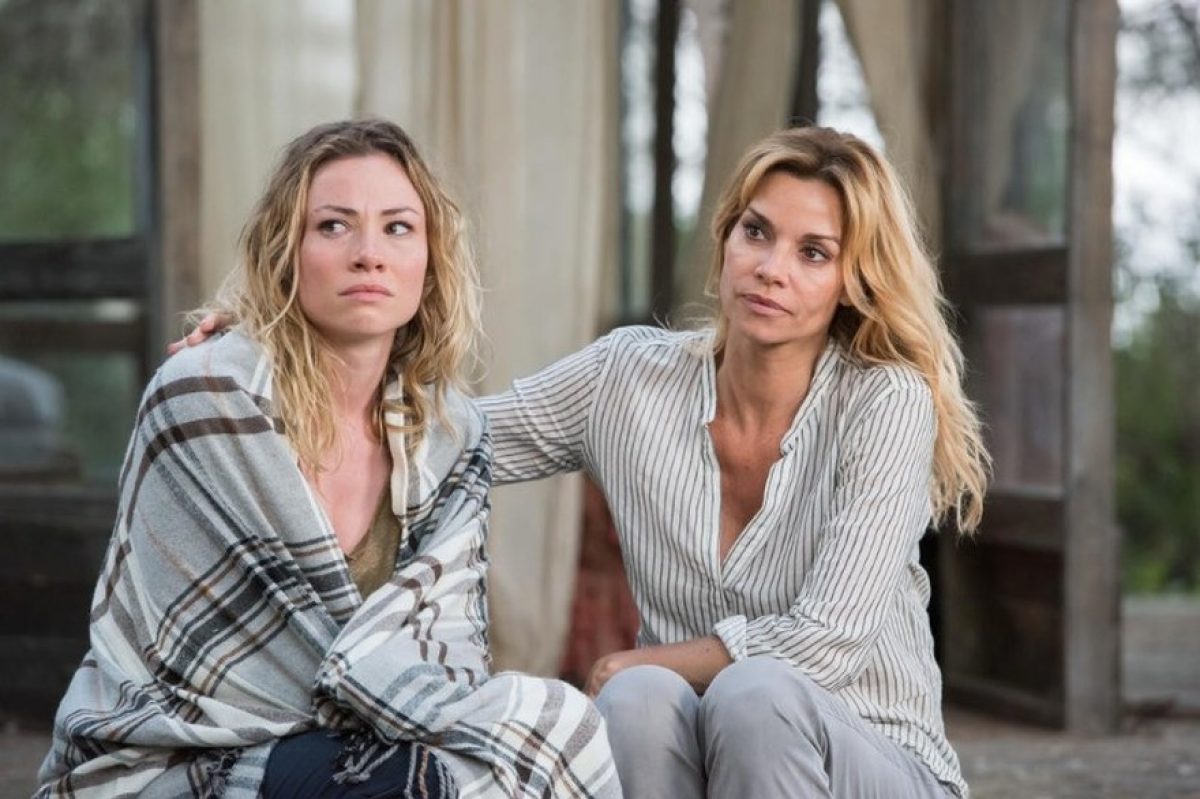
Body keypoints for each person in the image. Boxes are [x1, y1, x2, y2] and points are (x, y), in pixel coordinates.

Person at [174, 125, 989, 798]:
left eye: (814, 252)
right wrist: (272, 334)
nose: (772, 267)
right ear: (724, 237)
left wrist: (633, 658)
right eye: (757, 232)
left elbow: (825, 642)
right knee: (641, 701)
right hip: (701, 756)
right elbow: (447, 438)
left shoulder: (886, 401)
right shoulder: (628, 379)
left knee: (746, 690)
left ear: (854, 279)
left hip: (878, 759)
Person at [38, 119, 620, 799]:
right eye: (334, 226)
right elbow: (217, 671)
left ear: (431, 259)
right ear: (286, 251)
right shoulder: (205, 397)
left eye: (398, 228)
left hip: (374, 746)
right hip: (178, 756)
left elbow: (448, 658)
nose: (368, 254)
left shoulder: (448, 435)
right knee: (426, 780)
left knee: (530, 742)